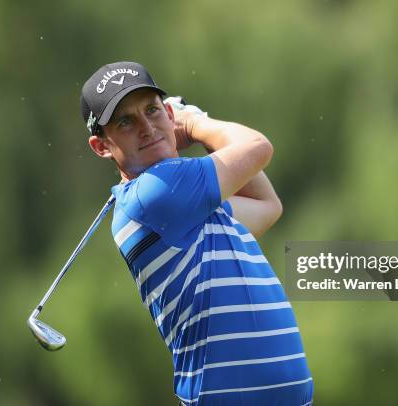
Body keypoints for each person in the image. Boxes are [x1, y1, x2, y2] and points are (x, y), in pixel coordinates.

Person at [81, 61, 313, 405]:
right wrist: (196, 124)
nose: (147, 127)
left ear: (167, 112)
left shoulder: (187, 206)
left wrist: (193, 134)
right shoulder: (156, 194)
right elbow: (258, 147)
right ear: (102, 146)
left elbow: (266, 206)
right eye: (126, 122)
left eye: (152, 110)